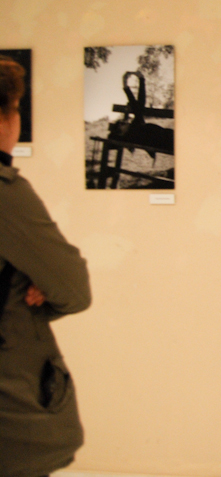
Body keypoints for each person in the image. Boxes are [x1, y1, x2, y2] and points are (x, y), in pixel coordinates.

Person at [0, 55, 92, 476]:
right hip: (10, 416)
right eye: (16, 109)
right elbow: (73, 288)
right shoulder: (6, 195)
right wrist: (35, 290)